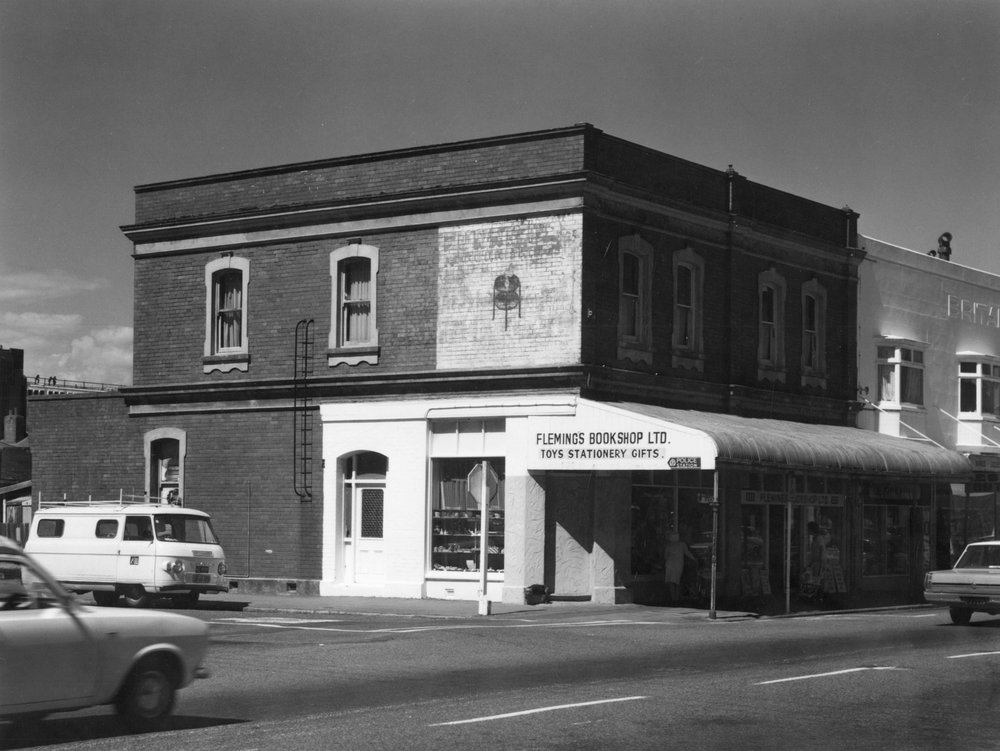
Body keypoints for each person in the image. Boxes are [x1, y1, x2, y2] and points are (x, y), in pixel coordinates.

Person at [664, 531, 696, 603]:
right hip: (678, 564)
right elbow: (687, 553)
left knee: (671, 582)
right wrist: (694, 559)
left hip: (670, 565)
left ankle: (674, 599)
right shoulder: (682, 545)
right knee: (677, 581)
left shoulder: (669, 546)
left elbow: (665, 556)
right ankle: (677, 599)